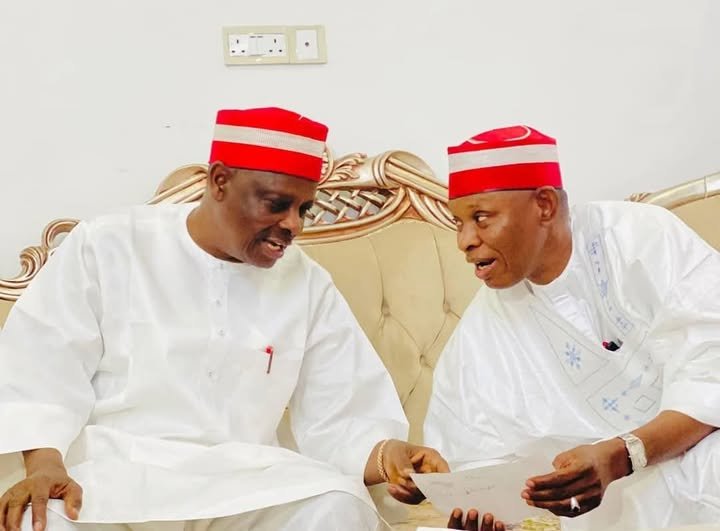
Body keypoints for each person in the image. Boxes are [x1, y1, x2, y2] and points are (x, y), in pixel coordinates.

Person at [0, 107, 448, 531]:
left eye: (303, 209)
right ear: (220, 181)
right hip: (117, 479)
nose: (294, 225)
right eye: (276, 204)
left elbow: (341, 411)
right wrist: (46, 467)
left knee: (339, 505)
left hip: (248, 484)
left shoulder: (305, 280)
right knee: (40, 519)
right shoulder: (110, 244)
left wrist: (389, 457)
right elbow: (42, 368)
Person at [424, 125, 720, 530]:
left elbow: (712, 368)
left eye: (481, 218)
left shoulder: (639, 237)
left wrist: (624, 454)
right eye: (457, 222)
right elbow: (473, 455)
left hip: (703, 459)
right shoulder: (481, 329)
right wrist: (490, 514)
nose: (464, 241)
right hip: (601, 511)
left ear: (544, 205)